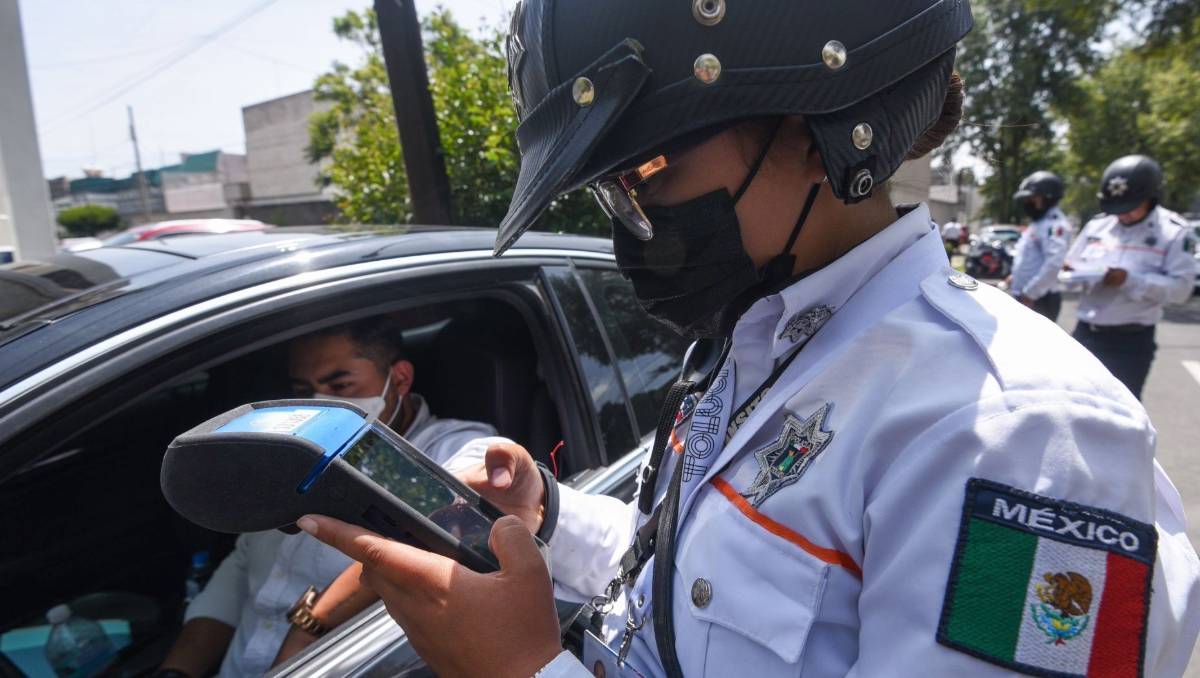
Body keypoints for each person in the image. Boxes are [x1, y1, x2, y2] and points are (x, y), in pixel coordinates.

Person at [301, 2, 1200, 677]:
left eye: (646, 169)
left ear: (822, 121)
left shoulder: (1018, 437)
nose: (633, 219)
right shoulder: (768, 346)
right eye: (608, 190)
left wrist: (529, 671)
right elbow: (704, 585)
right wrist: (551, 517)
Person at [154, 317, 507, 678]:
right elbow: (241, 569)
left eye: (340, 384)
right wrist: (176, 671)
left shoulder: (454, 447)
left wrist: (309, 628)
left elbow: (447, 521)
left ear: (399, 379)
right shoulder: (284, 453)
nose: (320, 402)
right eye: (304, 389)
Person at [1061, 155, 1198, 400]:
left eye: (1130, 207)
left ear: (1151, 197)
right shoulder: (1099, 226)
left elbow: (1181, 290)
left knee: (1120, 416)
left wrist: (1130, 280)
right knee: (1074, 403)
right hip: (1086, 333)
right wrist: (1076, 272)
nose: (1122, 215)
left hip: (1130, 342)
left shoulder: (1174, 232)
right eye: (1116, 208)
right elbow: (1070, 267)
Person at [1007, 171, 1071, 321]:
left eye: (1032, 198)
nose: (1028, 202)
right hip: (1028, 297)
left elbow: (1054, 263)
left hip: (1039, 299)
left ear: (1048, 198)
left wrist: (1031, 294)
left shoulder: (1053, 225)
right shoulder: (1039, 223)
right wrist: (1015, 277)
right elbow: (1031, 258)